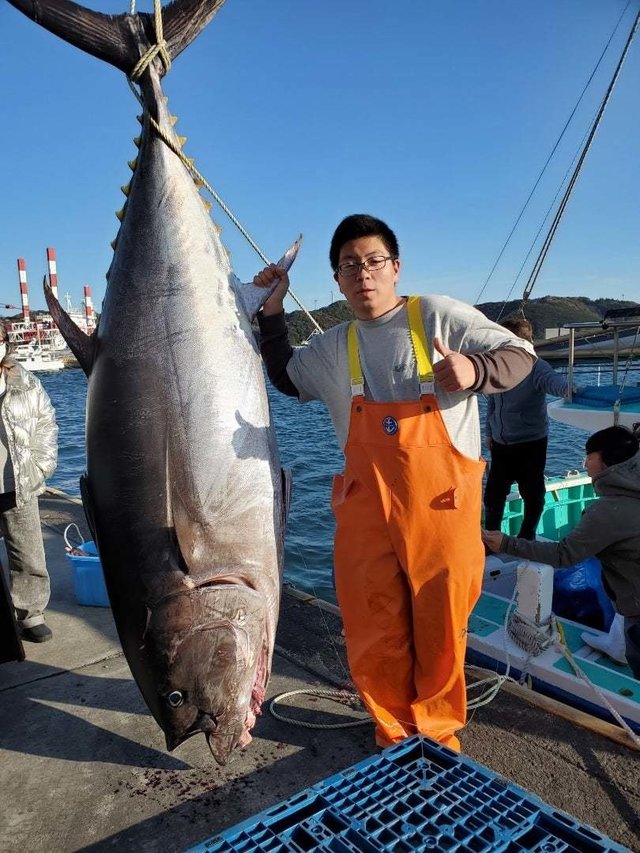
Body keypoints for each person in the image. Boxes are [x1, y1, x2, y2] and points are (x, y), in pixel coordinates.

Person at [254, 213, 536, 751]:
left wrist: (475, 371)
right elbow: (286, 377)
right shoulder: (335, 345)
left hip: (441, 505)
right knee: (371, 621)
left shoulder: (437, 316)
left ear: (396, 267)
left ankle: (436, 733)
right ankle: (390, 731)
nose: (363, 273)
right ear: (337, 279)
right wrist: (273, 311)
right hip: (366, 507)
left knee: (440, 621)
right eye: (349, 265)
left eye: (373, 261)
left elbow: (521, 356)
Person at [482, 425, 640, 678]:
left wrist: (506, 544)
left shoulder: (608, 512)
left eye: (589, 457)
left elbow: (563, 555)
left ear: (605, 460)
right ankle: (618, 645)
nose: (586, 463)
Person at [483, 317, 574, 539]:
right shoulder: (500, 367)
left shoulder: (537, 367)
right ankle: (491, 538)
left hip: (530, 443)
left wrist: (573, 391)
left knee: (532, 492)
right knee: (494, 494)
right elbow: (492, 404)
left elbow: (555, 383)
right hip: (501, 443)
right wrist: (489, 433)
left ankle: (527, 535)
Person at [0, 322, 58, 642]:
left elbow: (46, 422)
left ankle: (31, 612)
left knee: (27, 550)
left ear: (6, 343)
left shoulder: (25, 382)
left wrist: (41, 465)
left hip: (17, 477)